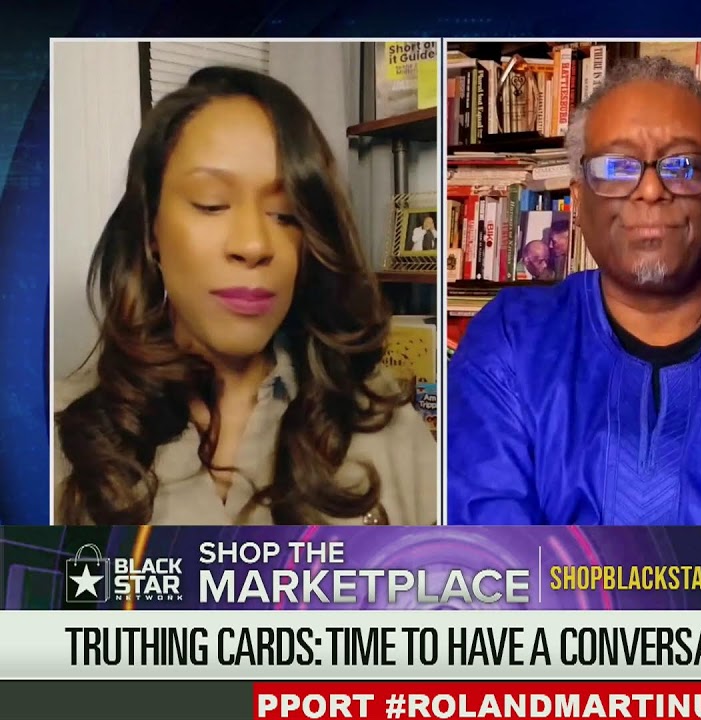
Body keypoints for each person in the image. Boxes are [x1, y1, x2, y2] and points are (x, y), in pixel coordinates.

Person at [447, 56, 701, 526]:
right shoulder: (511, 337)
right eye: (616, 167)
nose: (650, 190)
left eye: (683, 166)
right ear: (579, 199)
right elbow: (492, 557)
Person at [54, 66, 437, 526]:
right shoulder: (54, 437)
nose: (254, 245)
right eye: (211, 204)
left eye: (286, 214)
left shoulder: (384, 423)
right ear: (151, 229)